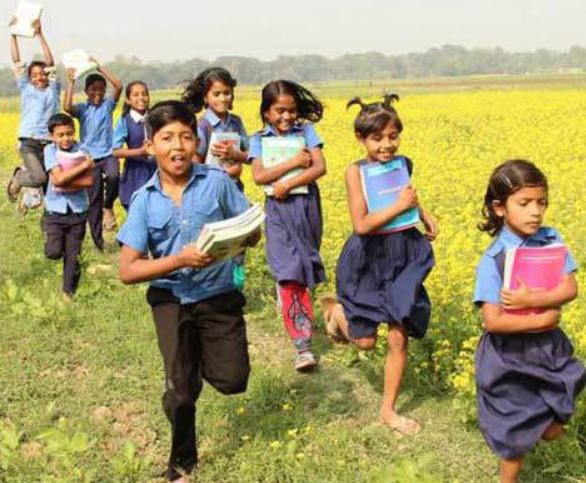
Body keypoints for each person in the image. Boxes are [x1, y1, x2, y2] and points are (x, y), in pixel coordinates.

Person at [117, 101, 260, 482]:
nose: (177, 146)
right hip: (171, 298)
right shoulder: (144, 201)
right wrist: (180, 259)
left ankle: (186, 373)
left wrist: (247, 235)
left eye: (185, 137)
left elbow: (251, 228)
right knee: (181, 394)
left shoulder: (217, 182)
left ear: (197, 142)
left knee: (233, 380)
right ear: (151, 146)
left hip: (218, 294)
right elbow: (128, 270)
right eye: (167, 138)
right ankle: (182, 464)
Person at [322, 95, 439, 434]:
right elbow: (362, 224)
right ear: (361, 138)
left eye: (393, 136)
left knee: (399, 336)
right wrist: (403, 205)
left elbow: (405, 197)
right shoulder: (355, 172)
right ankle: (338, 314)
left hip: (404, 256)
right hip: (368, 258)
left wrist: (423, 214)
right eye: (378, 138)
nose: (387, 144)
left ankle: (388, 411)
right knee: (366, 342)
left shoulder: (403, 163)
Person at [472, 159, 586, 483]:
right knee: (515, 435)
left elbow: (570, 287)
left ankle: (544, 429)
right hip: (508, 356)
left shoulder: (551, 240)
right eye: (524, 203)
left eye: (541, 202)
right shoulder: (494, 259)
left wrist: (531, 301)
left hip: (548, 349)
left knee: (557, 415)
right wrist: (544, 319)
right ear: (499, 208)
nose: (535, 212)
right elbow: (493, 322)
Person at [249, 80, 326, 371]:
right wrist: (294, 163)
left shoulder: (306, 132)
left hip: (306, 207)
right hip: (278, 210)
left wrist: (289, 183)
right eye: (279, 111)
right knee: (289, 272)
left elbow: (320, 167)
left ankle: (291, 301)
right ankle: (302, 345)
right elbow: (259, 176)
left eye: (291, 111)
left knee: (304, 267)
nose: (286, 117)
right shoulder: (258, 139)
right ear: (266, 113)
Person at [63, 60, 123, 250]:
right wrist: (71, 82)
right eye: (93, 89)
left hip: (108, 154)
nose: (97, 93)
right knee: (93, 200)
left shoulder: (108, 106)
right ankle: (99, 242)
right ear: (86, 91)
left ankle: (108, 206)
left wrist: (99, 67)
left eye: (101, 90)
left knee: (114, 176)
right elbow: (67, 107)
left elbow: (118, 85)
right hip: (90, 159)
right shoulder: (83, 109)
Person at [6, 17, 60, 213]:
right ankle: (19, 177)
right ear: (29, 78)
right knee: (39, 177)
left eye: (43, 74)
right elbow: (17, 61)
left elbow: (51, 63)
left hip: (49, 142)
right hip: (29, 140)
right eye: (35, 75)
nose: (40, 77)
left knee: (48, 186)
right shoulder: (26, 88)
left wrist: (40, 34)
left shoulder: (53, 90)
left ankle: (46, 218)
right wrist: (13, 34)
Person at [42, 113, 94, 298]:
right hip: (54, 210)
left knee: (73, 255)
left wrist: (64, 182)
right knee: (54, 252)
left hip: (78, 210)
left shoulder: (83, 149)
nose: (66, 138)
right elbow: (57, 179)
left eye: (69, 133)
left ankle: (68, 293)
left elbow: (89, 181)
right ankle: (57, 244)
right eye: (61, 135)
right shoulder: (49, 150)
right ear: (52, 136)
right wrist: (82, 167)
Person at [181, 66, 249, 190]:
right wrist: (223, 174)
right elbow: (194, 165)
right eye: (216, 94)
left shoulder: (236, 122)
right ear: (205, 98)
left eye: (227, 93)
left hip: (235, 189)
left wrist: (237, 156)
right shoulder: (202, 126)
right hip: (210, 190)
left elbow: (251, 156)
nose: (222, 99)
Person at [112, 81, 154, 212]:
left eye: (144, 94)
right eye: (136, 95)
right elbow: (115, 151)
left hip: (157, 172)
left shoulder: (156, 118)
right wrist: (141, 151)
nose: (141, 98)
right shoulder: (124, 121)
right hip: (135, 175)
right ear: (128, 100)